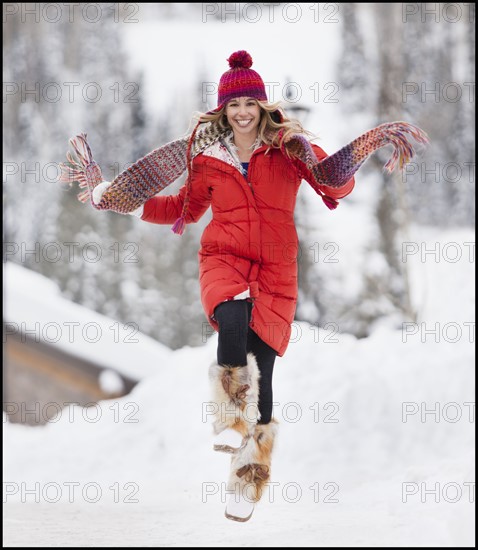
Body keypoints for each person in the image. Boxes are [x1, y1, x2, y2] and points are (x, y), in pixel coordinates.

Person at [60, 50, 428, 523]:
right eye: (233, 106)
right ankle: (229, 419)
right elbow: (181, 211)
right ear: (223, 111)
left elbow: (332, 186)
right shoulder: (208, 159)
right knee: (231, 315)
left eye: (249, 104)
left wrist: (360, 150)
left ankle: (246, 481)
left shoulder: (289, 151)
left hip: (276, 269)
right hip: (225, 258)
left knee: (265, 374)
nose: (241, 113)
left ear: (262, 106)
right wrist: (123, 201)